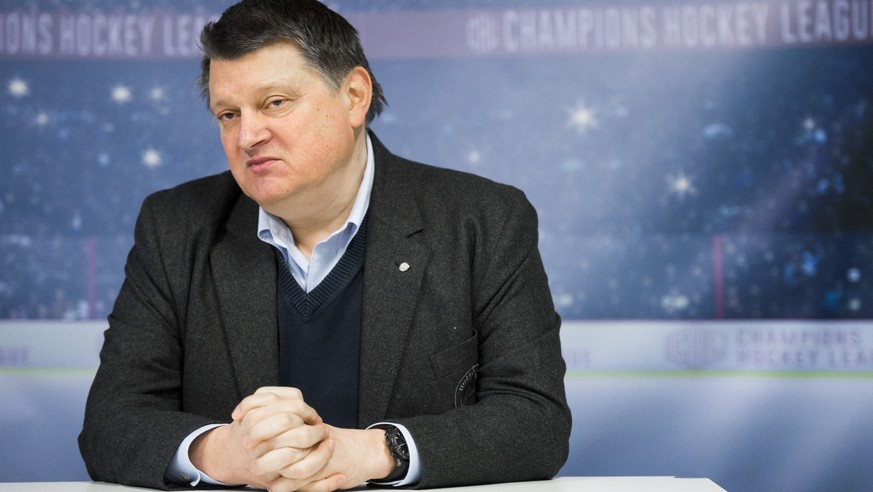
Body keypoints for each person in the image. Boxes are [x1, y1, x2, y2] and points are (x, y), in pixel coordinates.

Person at [78, 0, 571, 490]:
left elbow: (536, 421)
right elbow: (109, 425)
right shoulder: (175, 226)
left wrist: (374, 452)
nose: (248, 135)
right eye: (228, 114)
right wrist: (222, 452)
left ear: (354, 95)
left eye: (275, 103)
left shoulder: (483, 220)